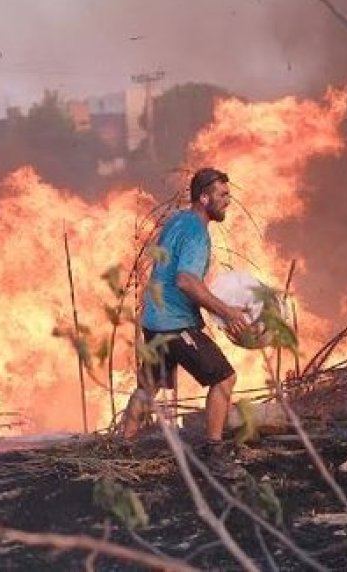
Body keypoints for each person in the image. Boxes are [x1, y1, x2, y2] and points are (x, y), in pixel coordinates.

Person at [121, 167, 249, 475]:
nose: (228, 201)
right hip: (174, 324)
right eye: (222, 195)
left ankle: (123, 446)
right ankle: (214, 453)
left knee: (148, 385)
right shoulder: (197, 232)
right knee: (224, 379)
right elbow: (186, 282)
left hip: (153, 317)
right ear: (204, 198)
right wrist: (227, 311)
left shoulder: (177, 220)